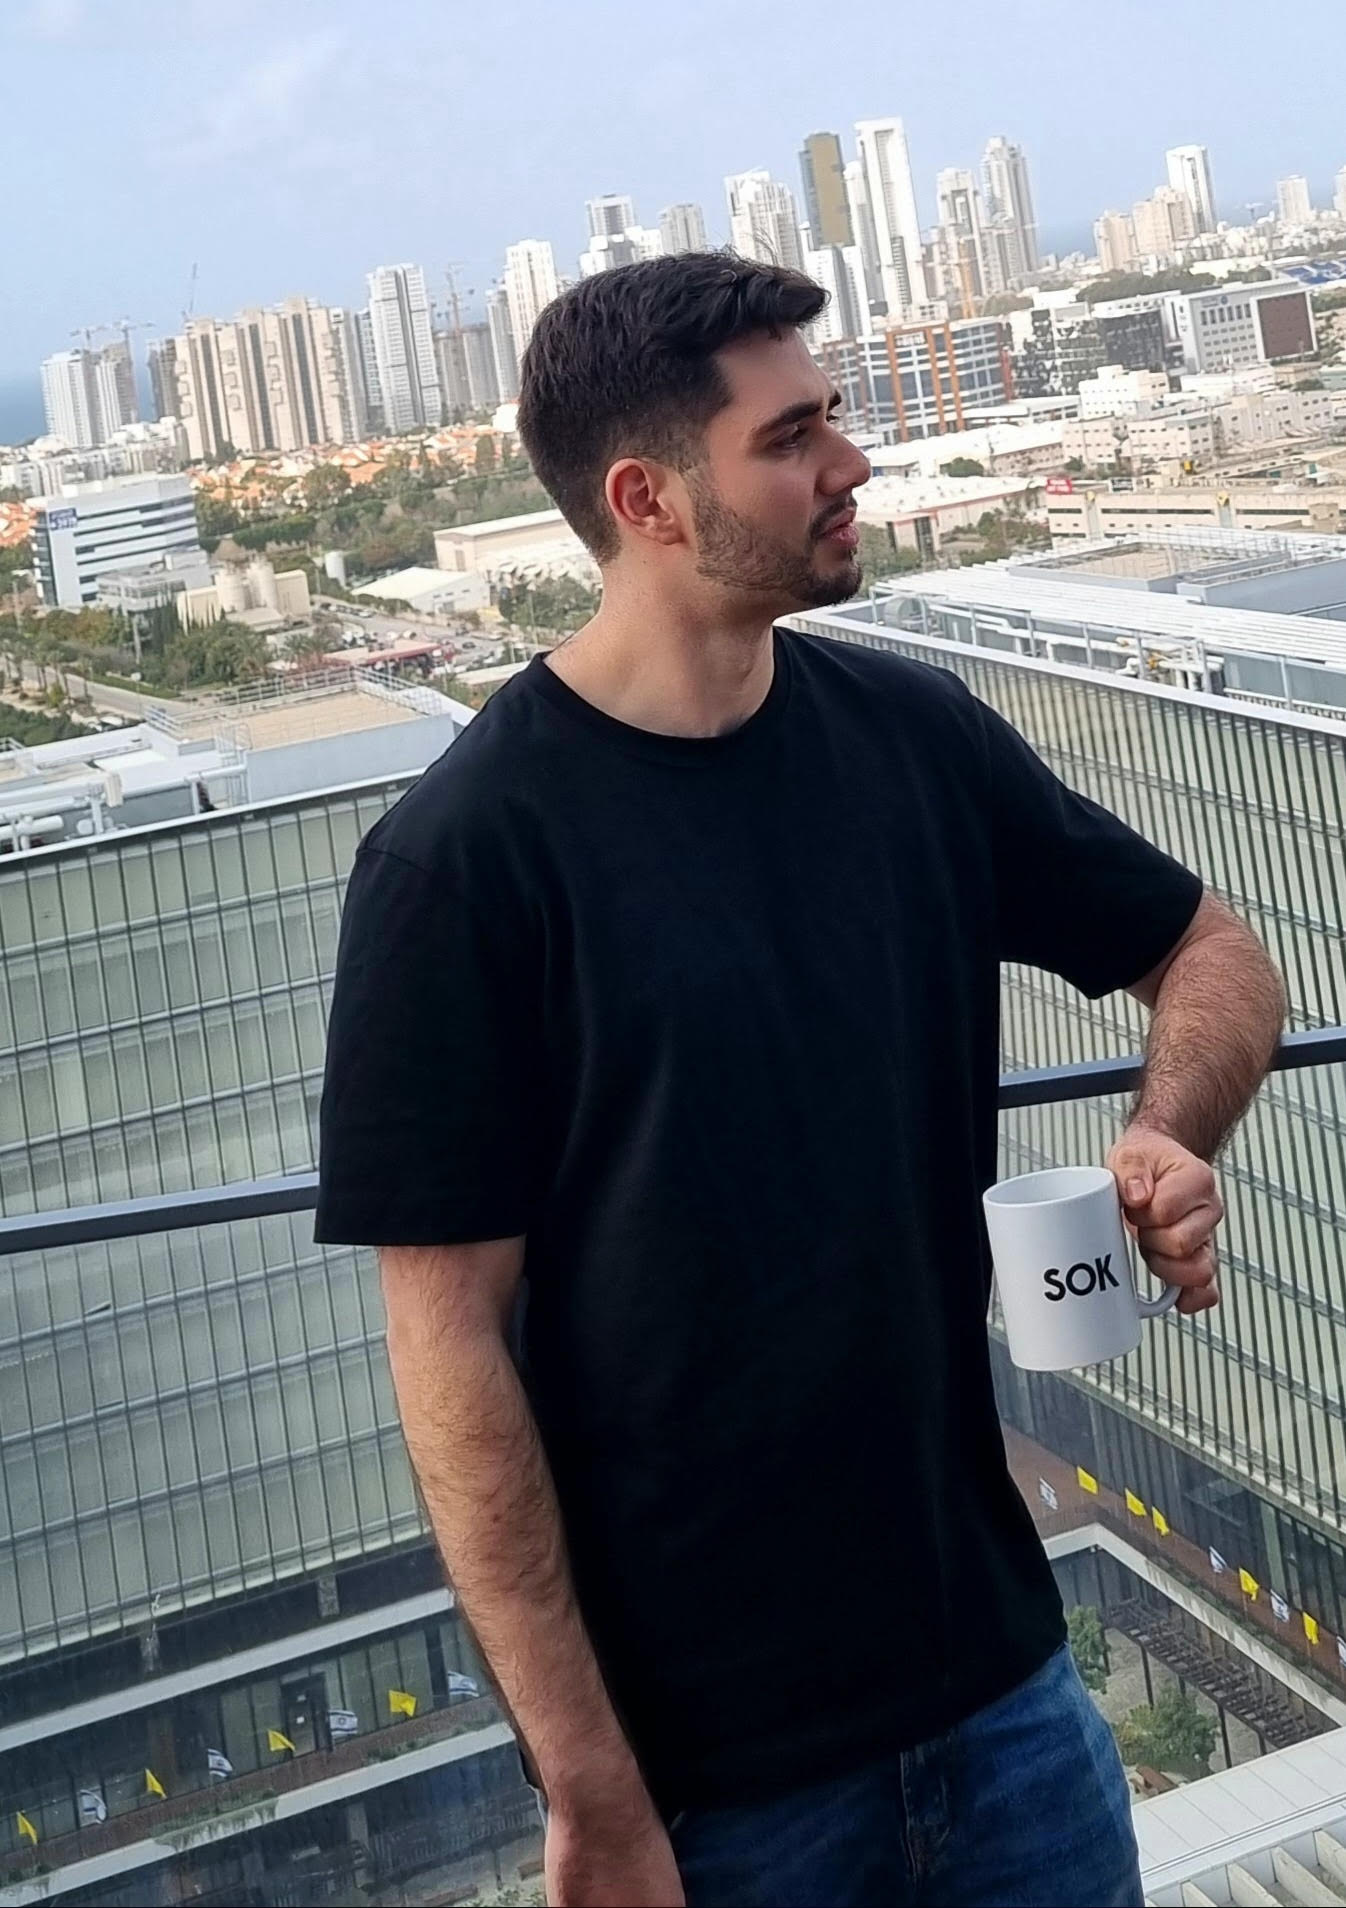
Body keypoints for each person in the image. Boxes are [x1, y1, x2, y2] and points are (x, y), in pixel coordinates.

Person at [315, 254, 1284, 1908]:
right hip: (713, 1794)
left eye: (831, 415)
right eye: (789, 438)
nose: (851, 461)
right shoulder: (463, 863)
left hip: (1003, 1694)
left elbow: (1214, 955)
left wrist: (1161, 1134)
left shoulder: (914, 738)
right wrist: (590, 1791)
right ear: (647, 500)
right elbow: (449, 1357)